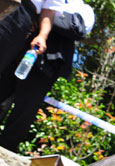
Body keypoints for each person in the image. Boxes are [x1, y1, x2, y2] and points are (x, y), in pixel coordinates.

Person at [0, 0, 94, 153]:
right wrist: (48, 13)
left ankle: (6, 151)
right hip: (22, 52)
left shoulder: (84, 9)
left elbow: (77, 29)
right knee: (2, 96)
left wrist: (44, 15)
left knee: (25, 110)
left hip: (48, 64)